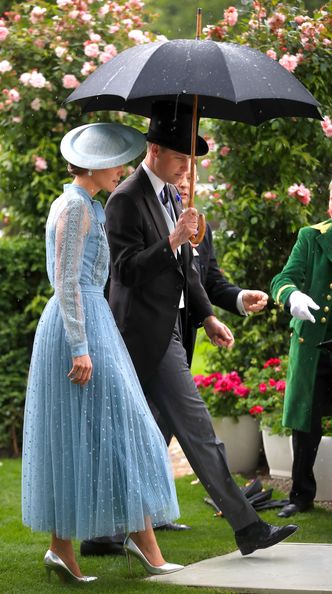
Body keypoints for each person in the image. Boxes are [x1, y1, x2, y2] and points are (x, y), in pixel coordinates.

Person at [103, 101, 297, 556]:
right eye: (180, 158)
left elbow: (188, 273)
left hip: (175, 332)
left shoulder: (174, 196)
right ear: (153, 149)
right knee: (200, 434)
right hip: (143, 338)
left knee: (140, 440)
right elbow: (125, 271)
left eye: (191, 161)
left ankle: (105, 533)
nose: (187, 169)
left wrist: (209, 314)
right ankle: (248, 528)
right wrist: (172, 239)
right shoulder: (124, 200)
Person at [22, 122, 184, 583]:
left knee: (103, 430)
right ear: (94, 165)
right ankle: (132, 542)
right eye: (118, 162)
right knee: (119, 427)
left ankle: (72, 548)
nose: (125, 169)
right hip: (81, 330)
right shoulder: (75, 208)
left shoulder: (85, 204)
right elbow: (68, 280)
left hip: (93, 324)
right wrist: (79, 346)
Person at [271, 181, 332, 518]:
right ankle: (301, 494)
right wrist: (292, 296)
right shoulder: (312, 237)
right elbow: (282, 279)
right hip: (314, 346)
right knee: (306, 422)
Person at [175, 168, 268, 367]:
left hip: (186, 334)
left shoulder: (202, 227)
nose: (183, 183)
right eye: (179, 176)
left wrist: (241, 297)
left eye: (190, 178)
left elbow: (210, 282)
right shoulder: (157, 221)